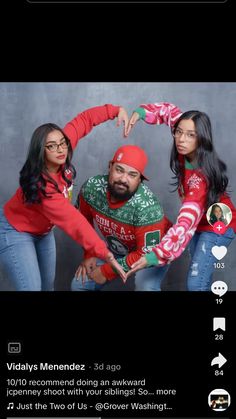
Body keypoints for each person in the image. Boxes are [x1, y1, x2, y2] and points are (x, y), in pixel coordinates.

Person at [0, 104, 129, 291]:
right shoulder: (41, 186)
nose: (60, 149)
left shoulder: (63, 149)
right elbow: (73, 220)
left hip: (42, 232)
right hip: (16, 231)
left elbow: (84, 120)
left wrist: (115, 111)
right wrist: (104, 253)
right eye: (51, 146)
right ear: (40, 151)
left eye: (62, 143)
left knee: (47, 286)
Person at [125, 102, 236, 291]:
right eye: (179, 132)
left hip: (218, 226)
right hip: (199, 224)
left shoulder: (200, 180)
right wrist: (141, 113)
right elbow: (169, 112)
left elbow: (184, 225)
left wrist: (153, 256)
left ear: (201, 139)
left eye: (190, 135)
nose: (181, 139)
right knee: (202, 280)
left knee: (195, 284)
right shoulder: (185, 143)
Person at [71, 144, 172, 291]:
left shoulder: (147, 207)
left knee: (146, 287)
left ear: (140, 180)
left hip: (152, 253)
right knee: (80, 284)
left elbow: (145, 253)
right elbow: (82, 222)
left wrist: (106, 272)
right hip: (118, 250)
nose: (123, 179)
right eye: (119, 170)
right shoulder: (92, 188)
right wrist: (90, 252)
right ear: (110, 166)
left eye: (132, 175)